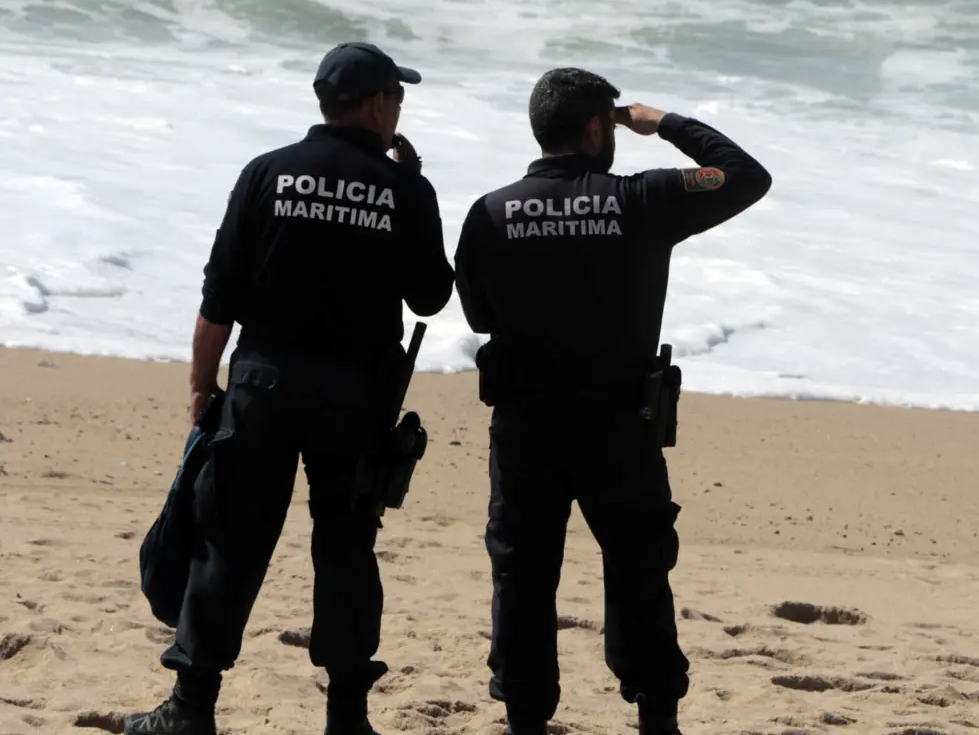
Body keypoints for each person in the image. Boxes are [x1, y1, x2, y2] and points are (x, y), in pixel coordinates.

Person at [124, 42, 455, 735]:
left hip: (263, 384)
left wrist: (199, 386)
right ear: (375, 105)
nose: (400, 109)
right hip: (356, 398)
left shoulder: (267, 172)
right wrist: (414, 192)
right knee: (345, 547)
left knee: (229, 542)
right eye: (397, 97)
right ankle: (346, 715)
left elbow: (220, 295)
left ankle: (192, 709)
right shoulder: (403, 190)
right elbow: (429, 298)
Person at [452, 67, 773, 734]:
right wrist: (662, 123)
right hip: (619, 427)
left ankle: (525, 720)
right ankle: (656, 717)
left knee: (524, 573)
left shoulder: (490, 212)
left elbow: (480, 316)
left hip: (526, 428)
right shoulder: (644, 199)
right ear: (598, 128)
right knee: (638, 567)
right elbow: (745, 174)